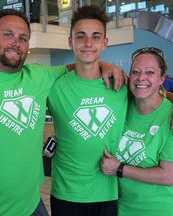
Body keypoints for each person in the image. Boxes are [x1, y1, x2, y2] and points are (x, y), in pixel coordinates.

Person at [0, 9, 125, 216]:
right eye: (8, 34)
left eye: (23, 38)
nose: (16, 42)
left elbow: (81, 65)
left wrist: (106, 65)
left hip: (32, 206)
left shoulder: (38, 76)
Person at [46, 6, 127, 216]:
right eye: (81, 37)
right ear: (71, 42)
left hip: (108, 191)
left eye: (95, 37)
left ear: (104, 43)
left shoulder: (121, 85)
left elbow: (154, 92)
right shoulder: (53, 85)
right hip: (66, 192)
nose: (88, 43)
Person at [100, 47, 173, 216]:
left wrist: (119, 168)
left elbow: (168, 176)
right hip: (126, 208)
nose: (141, 77)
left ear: (161, 79)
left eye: (150, 72)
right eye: (136, 71)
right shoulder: (122, 108)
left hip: (167, 209)